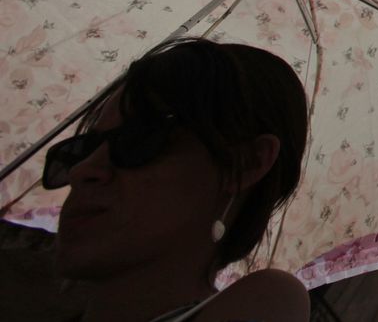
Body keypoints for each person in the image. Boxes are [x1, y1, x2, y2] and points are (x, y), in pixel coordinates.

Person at [43, 38, 311, 322]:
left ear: (247, 164)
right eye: (83, 148)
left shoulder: (268, 303)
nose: (81, 171)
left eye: (139, 138)